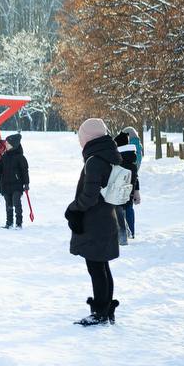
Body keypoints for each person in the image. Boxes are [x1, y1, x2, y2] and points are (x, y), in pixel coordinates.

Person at [67, 119, 122, 326]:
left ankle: (100, 312)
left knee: (96, 268)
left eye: (81, 138)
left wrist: (73, 208)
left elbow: (89, 197)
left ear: (88, 138)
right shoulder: (108, 156)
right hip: (107, 218)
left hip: (94, 222)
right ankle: (105, 309)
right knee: (102, 265)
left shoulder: (94, 161)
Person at [0, 133, 29, 229]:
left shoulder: (20, 157)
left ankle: (19, 223)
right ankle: (9, 223)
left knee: (16, 202)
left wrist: (26, 183)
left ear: (13, 145)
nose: (6, 145)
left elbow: (25, 171)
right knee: (8, 204)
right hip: (6, 185)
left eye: (7, 143)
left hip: (17, 185)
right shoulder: (4, 156)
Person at [113, 130, 141, 245]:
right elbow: (136, 178)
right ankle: (131, 233)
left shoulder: (118, 162)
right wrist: (136, 191)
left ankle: (122, 235)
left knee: (119, 212)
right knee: (129, 210)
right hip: (129, 192)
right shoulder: (132, 161)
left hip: (118, 194)